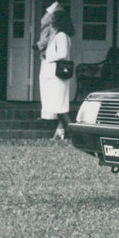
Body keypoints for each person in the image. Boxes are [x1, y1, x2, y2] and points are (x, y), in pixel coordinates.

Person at [40, 8, 74, 141]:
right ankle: (59, 133)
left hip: (57, 76)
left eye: (53, 19)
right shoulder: (59, 35)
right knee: (58, 106)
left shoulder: (61, 36)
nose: (50, 21)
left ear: (59, 21)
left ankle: (76, 132)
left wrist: (47, 56)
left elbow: (63, 54)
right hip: (54, 76)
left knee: (61, 107)